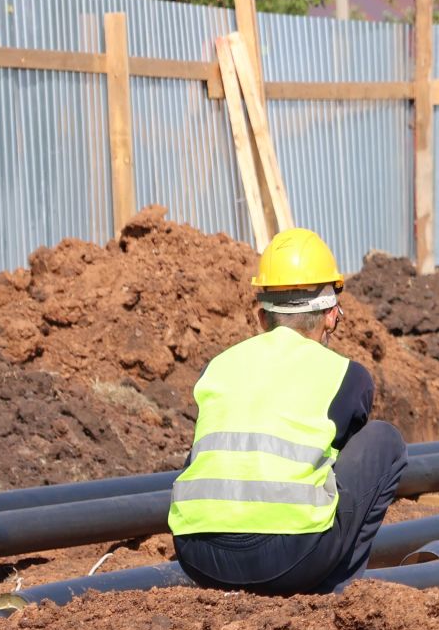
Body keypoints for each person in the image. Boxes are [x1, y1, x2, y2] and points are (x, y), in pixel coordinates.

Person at [168, 227, 408, 594]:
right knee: (383, 440)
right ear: (331, 316)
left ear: (262, 319)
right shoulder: (347, 375)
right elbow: (342, 451)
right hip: (292, 558)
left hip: (199, 557)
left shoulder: (218, 366)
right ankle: (338, 591)